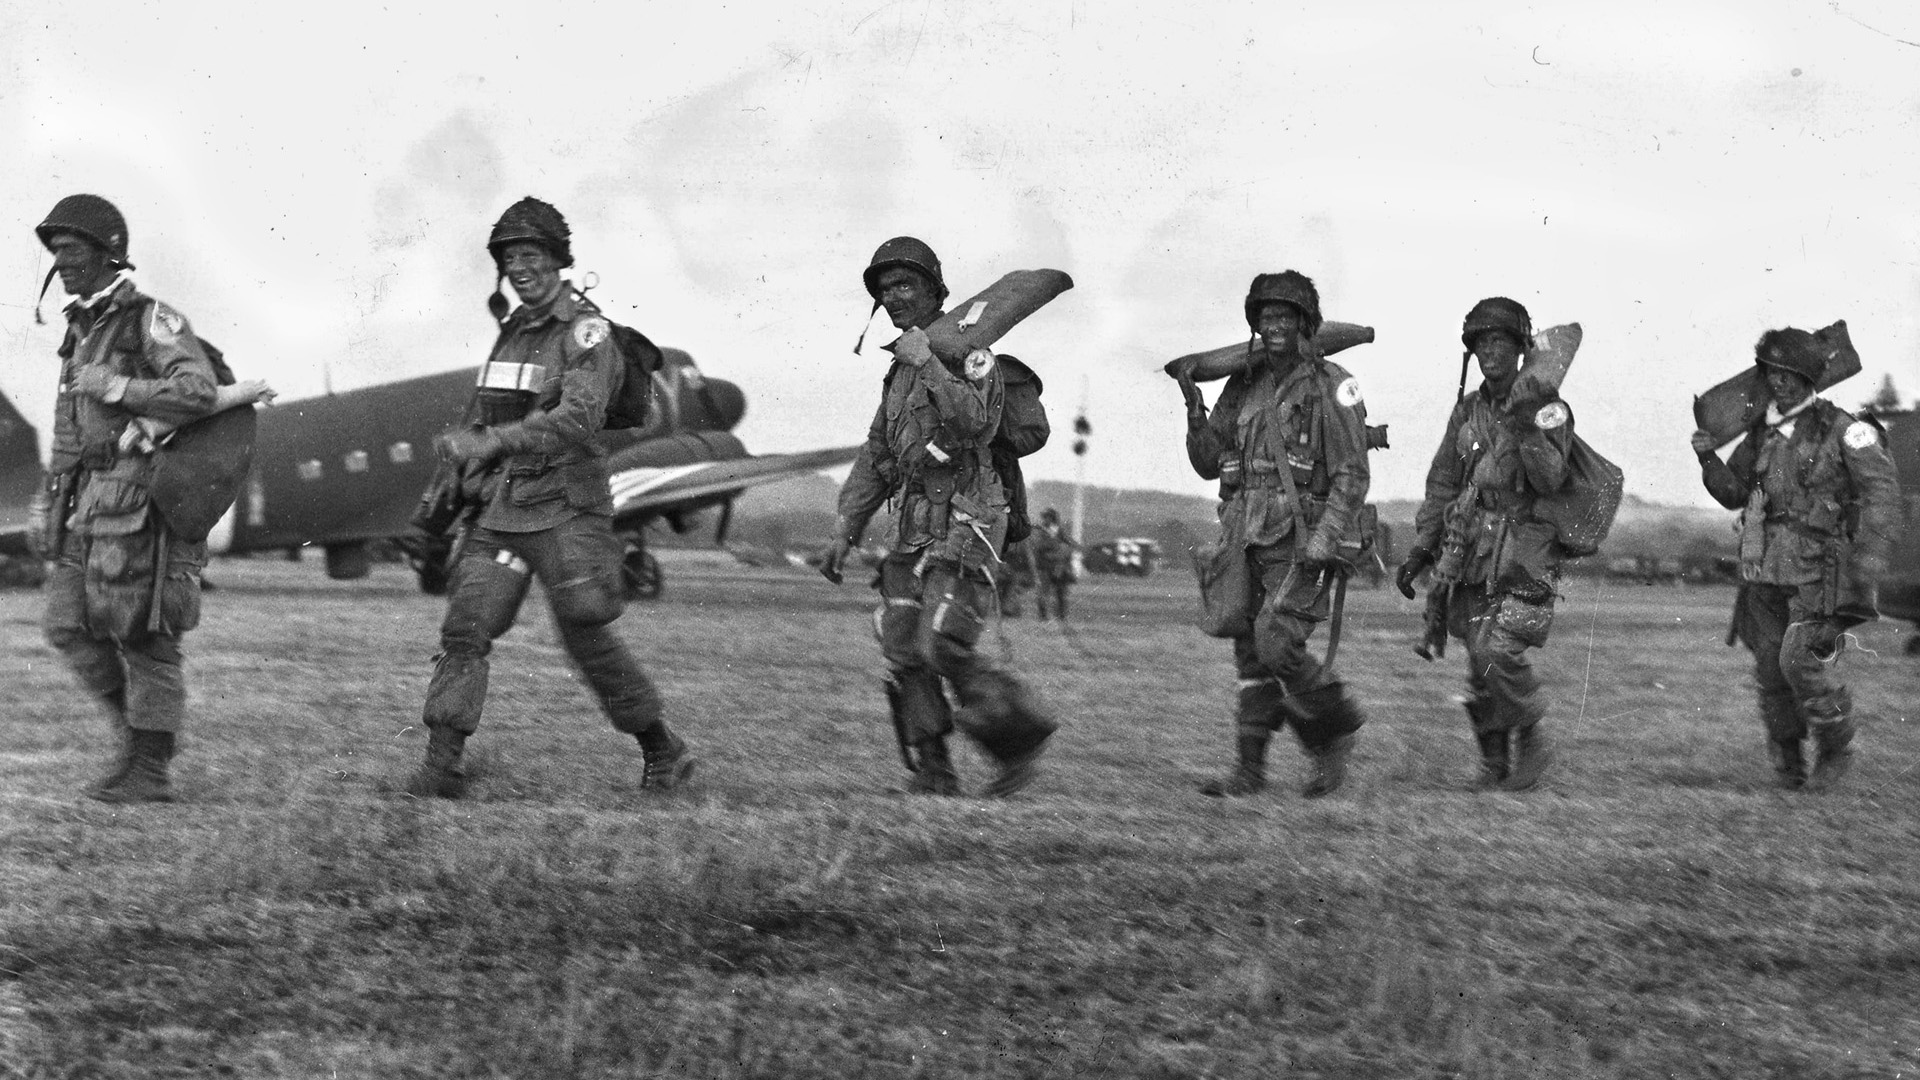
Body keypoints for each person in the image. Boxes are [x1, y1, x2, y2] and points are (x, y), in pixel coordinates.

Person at [414, 196, 693, 798]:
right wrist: (452, 485)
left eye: (532, 254)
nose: (520, 267)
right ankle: (441, 769)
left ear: (558, 260)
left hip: (569, 508)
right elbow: (480, 416)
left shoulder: (586, 332)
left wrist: (490, 444)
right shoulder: (512, 334)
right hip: (507, 509)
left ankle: (662, 749)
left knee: (586, 630)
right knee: (466, 629)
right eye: (510, 256)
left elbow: (579, 419)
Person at [822, 236, 1056, 797]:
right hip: (912, 523)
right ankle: (933, 770)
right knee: (902, 644)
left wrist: (928, 361)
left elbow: (976, 423)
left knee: (942, 643)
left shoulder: (973, 357)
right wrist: (843, 529)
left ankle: (1020, 742)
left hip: (968, 517)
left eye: (906, 285)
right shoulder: (897, 372)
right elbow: (879, 455)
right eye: (886, 290)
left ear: (934, 291)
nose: (895, 297)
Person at [30, 194, 220, 803]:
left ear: (109, 253)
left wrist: (118, 385)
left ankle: (151, 768)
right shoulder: (79, 329)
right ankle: (131, 739)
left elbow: (198, 392)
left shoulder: (151, 319)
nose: (62, 262)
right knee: (66, 625)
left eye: (73, 249)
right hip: (86, 500)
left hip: (140, 501)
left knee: (145, 636)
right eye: (56, 251)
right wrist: (46, 495)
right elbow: (68, 425)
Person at [1179, 271, 1370, 798]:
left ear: (1306, 322)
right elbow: (1205, 462)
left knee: (1276, 640)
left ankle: (1336, 729)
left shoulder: (1335, 383)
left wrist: (1326, 537)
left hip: (1301, 534)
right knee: (1248, 649)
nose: (1274, 324)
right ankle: (1248, 772)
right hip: (1242, 531)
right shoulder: (1243, 384)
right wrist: (1194, 409)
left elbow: (1353, 473)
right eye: (1266, 317)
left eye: (1285, 315)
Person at [1689, 328, 1898, 791]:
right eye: (1773, 372)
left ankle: (1835, 742)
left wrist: (1871, 554)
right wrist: (1707, 460)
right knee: (1769, 669)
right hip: (1763, 567)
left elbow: (1881, 489)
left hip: (1818, 569)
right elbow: (1733, 494)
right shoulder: (1761, 433)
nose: (1780, 382)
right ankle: (1787, 759)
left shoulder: (1846, 428)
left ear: (1809, 378)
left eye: (1790, 374)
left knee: (1797, 661)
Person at [1397, 297, 1571, 791]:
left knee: (1497, 650)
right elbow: (1443, 483)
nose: (1490, 351)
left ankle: (1533, 737)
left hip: (1525, 549)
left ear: (1520, 349)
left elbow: (1552, 477)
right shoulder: (1467, 411)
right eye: (1481, 343)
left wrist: (1526, 427)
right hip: (1469, 549)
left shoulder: (1549, 408)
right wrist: (1422, 549)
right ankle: (1494, 764)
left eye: (1501, 341)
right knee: (1477, 657)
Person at [1028, 507, 1076, 620]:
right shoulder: (1039, 530)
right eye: (1044, 517)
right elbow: (1036, 546)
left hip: (1058, 566)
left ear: (1052, 518)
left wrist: (1061, 553)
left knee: (1061, 592)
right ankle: (1043, 616)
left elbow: (1070, 544)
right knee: (1043, 592)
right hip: (1043, 565)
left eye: (1048, 517)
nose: (1045, 520)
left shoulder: (1059, 530)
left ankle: (1062, 615)